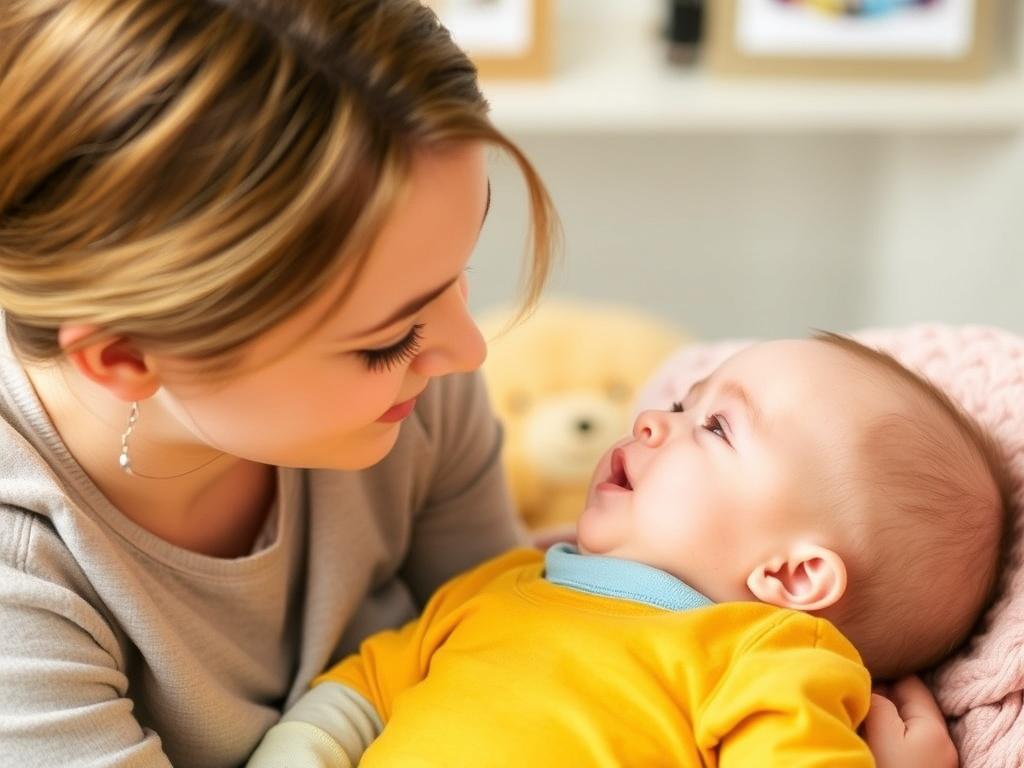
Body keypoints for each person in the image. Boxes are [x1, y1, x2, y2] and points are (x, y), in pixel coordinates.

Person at [0, 1, 959, 766]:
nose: (468, 351)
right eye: (389, 336)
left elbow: (513, 630)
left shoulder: (420, 399)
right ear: (124, 357)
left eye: (460, 274)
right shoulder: (22, 575)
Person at [247, 334, 1010, 767]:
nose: (652, 419)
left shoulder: (766, 656)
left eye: (715, 427)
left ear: (793, 572)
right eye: (682, 400)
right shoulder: (505, 583)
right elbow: (356, 697)